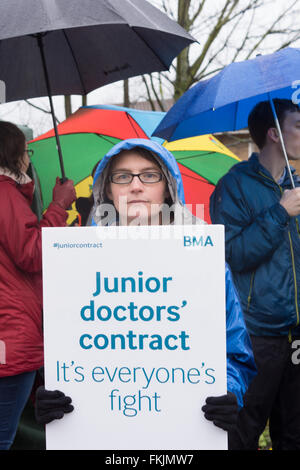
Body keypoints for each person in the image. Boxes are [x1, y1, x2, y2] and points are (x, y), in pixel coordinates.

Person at [35, 138, 256, 445]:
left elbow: (235, 351)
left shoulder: (203, 260)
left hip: (182, 436)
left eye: (149, 175)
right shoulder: (75, 264)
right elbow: (65, 346)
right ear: (107, 189)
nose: (136, 186)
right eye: (123, 176)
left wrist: (229, 391)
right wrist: (52, 392)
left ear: (167, 186)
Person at [210, 98, 300, 450]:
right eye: (298, 125)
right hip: (256, 334)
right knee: (243, 434)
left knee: (293, 434)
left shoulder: (296, 184)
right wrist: (280, 213)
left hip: (296, 333)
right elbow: (231, 254)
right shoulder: (233, 186)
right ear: (274, 134)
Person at [0, 121, 76, 450]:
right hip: (11, 336)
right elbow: (32, 253)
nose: (28, 158)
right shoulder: (4, 193)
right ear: (15, 154)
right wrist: (58, 207)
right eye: (26, 151)